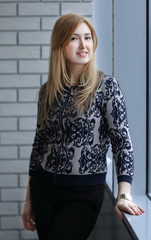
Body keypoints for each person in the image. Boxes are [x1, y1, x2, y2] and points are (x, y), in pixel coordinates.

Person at [22, 13, 145, 240]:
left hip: (83, 195)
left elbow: (122, 142)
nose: (83, 45)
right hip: (44, 190)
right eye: (74, 38)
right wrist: (29, 200)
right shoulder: (48, 91)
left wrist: (124, 194)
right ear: (60, 44)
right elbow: (39, 144)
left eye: (88, 38)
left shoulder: (106, 87)